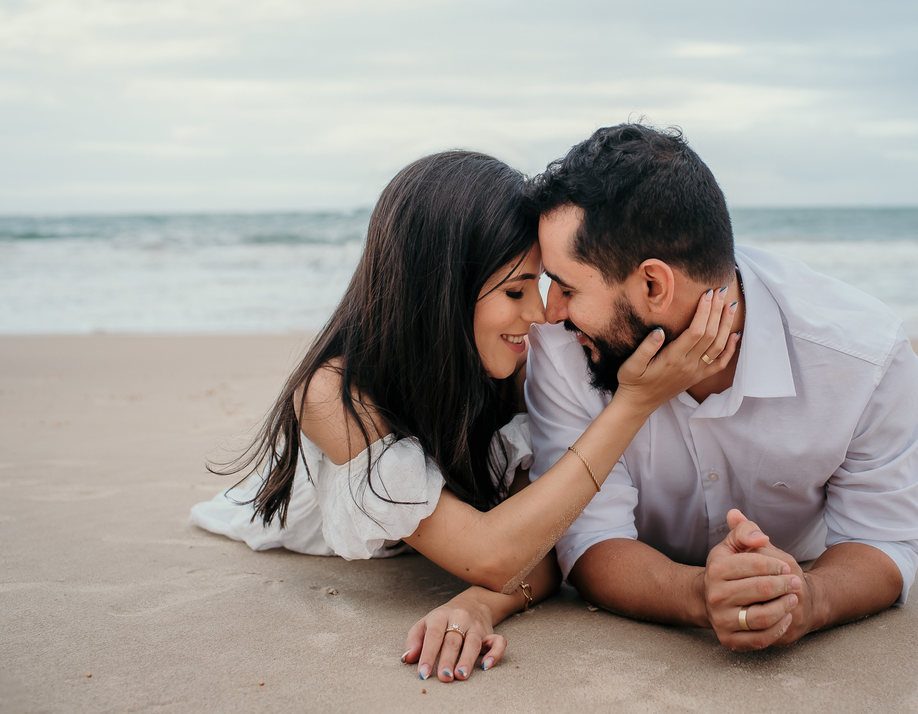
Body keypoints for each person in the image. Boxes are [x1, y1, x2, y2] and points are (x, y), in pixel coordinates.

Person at [189, 150, 740, 681]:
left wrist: (481, 605)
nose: (542, 314)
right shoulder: (334, 395)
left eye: (544, 285)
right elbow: (494, 553)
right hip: (320, 530)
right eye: (517, 290)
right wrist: (635, 402)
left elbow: (540, 541)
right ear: (443, 290)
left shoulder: (513, 363)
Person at [524, 123, 918, 651]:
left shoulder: (862, 359)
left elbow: (883, 539)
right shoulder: (563, 347)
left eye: (566, 287)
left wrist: (808, 598)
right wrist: (699, 593)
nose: (549, 310)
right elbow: (587, 538)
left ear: (653, 285)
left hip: (799, 565)